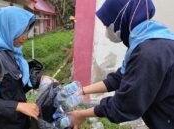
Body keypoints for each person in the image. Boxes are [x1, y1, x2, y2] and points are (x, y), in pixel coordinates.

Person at [68, 0, 174, 129]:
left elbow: (125, 105)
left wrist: (81, 114)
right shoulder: (147, 40)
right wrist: (81, 91)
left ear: (122, 19)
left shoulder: (149, 53)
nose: (107, 30)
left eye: (108, 24)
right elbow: (120, 78)